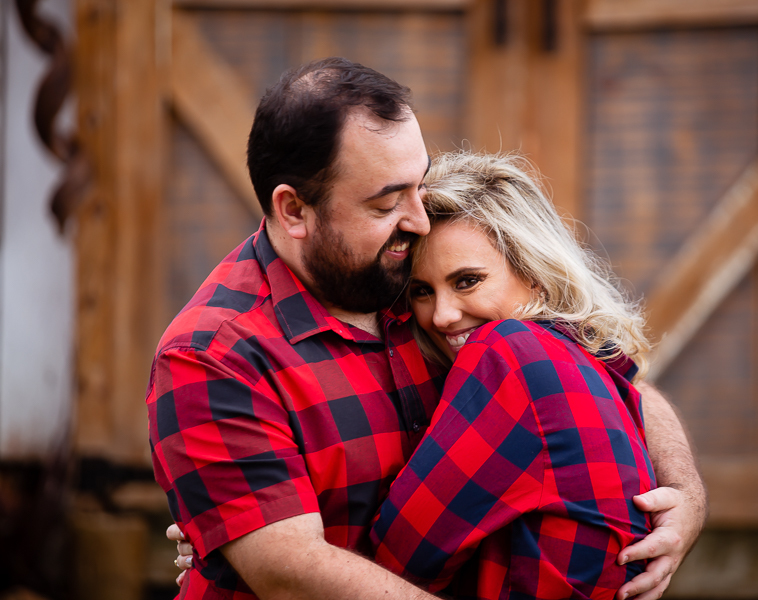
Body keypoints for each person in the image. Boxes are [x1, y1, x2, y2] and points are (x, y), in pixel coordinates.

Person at [150, 57, 706, 600]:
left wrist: (685, 492)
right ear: (294, 210)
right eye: (387, 202)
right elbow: (290, 572)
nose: (418, 219)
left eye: (418, 185)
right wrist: (223, 535)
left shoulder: (417, 269)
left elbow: (610, 377)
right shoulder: (214, 354)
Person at [369, 150, 657, 600]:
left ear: (535, 272)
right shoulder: (581, 360)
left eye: (467, 281)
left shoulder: (508, 353)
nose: (442, 316)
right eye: (422, 291)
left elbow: (400, 557)